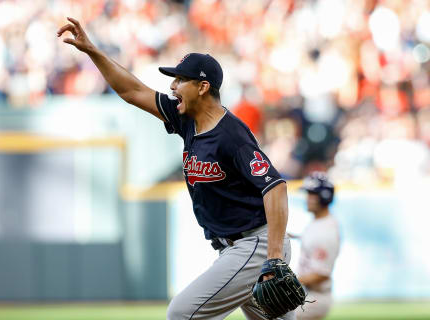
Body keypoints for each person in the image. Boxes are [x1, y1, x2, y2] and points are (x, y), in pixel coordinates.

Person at [58, 17, 296, 320]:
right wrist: (93, 51)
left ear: (202, 87)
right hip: (238, 248)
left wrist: (274, 258)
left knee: (182, 314)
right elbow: (132, 91)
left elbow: (275, 186)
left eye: (180, 80)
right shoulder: (186, 119)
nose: (172, 86)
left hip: (255, 247)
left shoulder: (231, 136)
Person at [295, 172, 341, 320]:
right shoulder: (320, 222)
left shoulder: (326, 232)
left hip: (315, 297)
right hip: (309, 294)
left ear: (324, 197)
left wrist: (289, 282)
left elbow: (321, 274)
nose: (307, 198)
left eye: (312, 194)